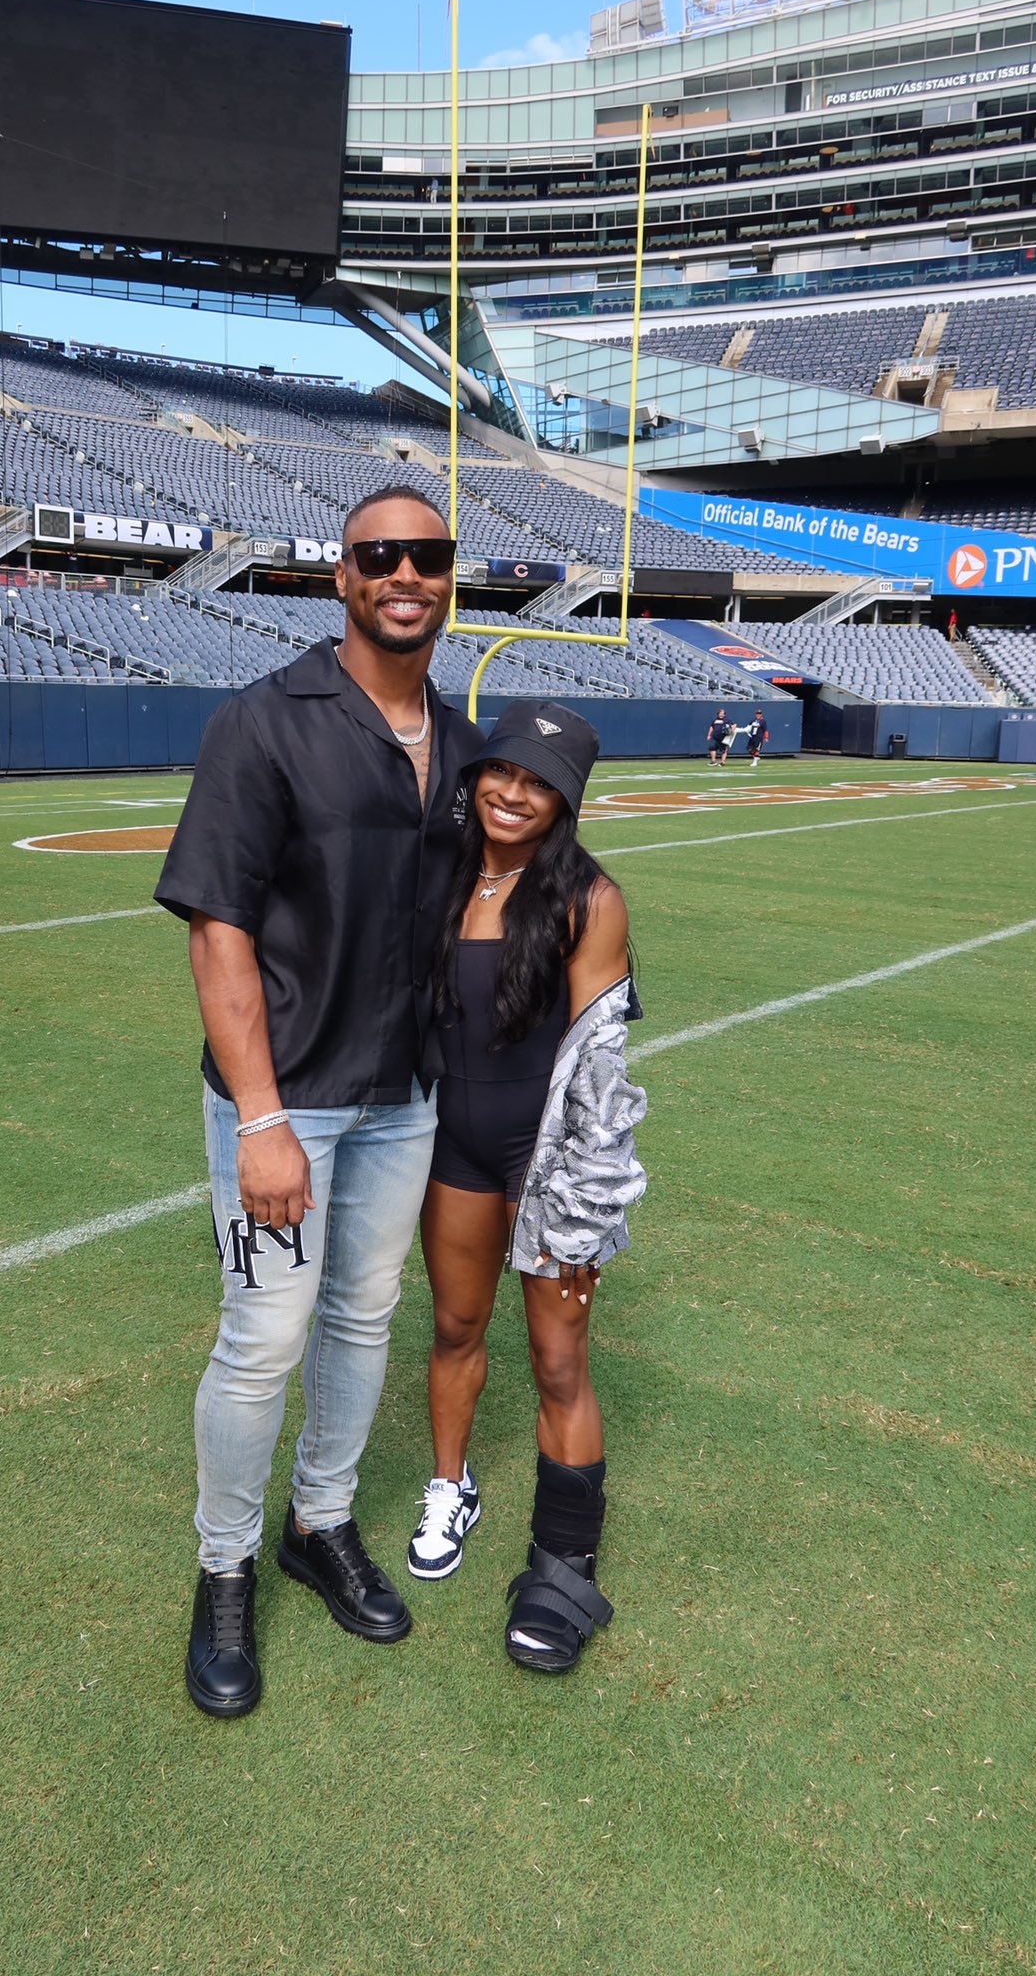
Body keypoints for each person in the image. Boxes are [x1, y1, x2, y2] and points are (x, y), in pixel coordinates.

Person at [155, 486, 483, 1720]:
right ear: (340, 577)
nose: (404, 572)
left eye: (428, 555)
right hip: (287, 1097)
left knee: (363, 1319)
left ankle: (320, 1520)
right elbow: (218, 929)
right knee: (263, 1340)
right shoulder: (264, 721)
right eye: (378, 555)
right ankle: (224, 1566)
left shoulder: (455, 737)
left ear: (451, 577)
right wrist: (258, 1117)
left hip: (404, 1094)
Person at [407, 702, 647, 1674]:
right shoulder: (443, 875)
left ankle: (561, 1564)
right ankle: (448, 1485)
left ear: (566, 799)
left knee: (558, 1362)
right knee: (454, 1328)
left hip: (542, 1161)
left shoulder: (590, 899)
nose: (511, 793)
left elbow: (598, 1067)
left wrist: (580, 1196)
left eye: (536, 781)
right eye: (499, 771)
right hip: (450, 1149)